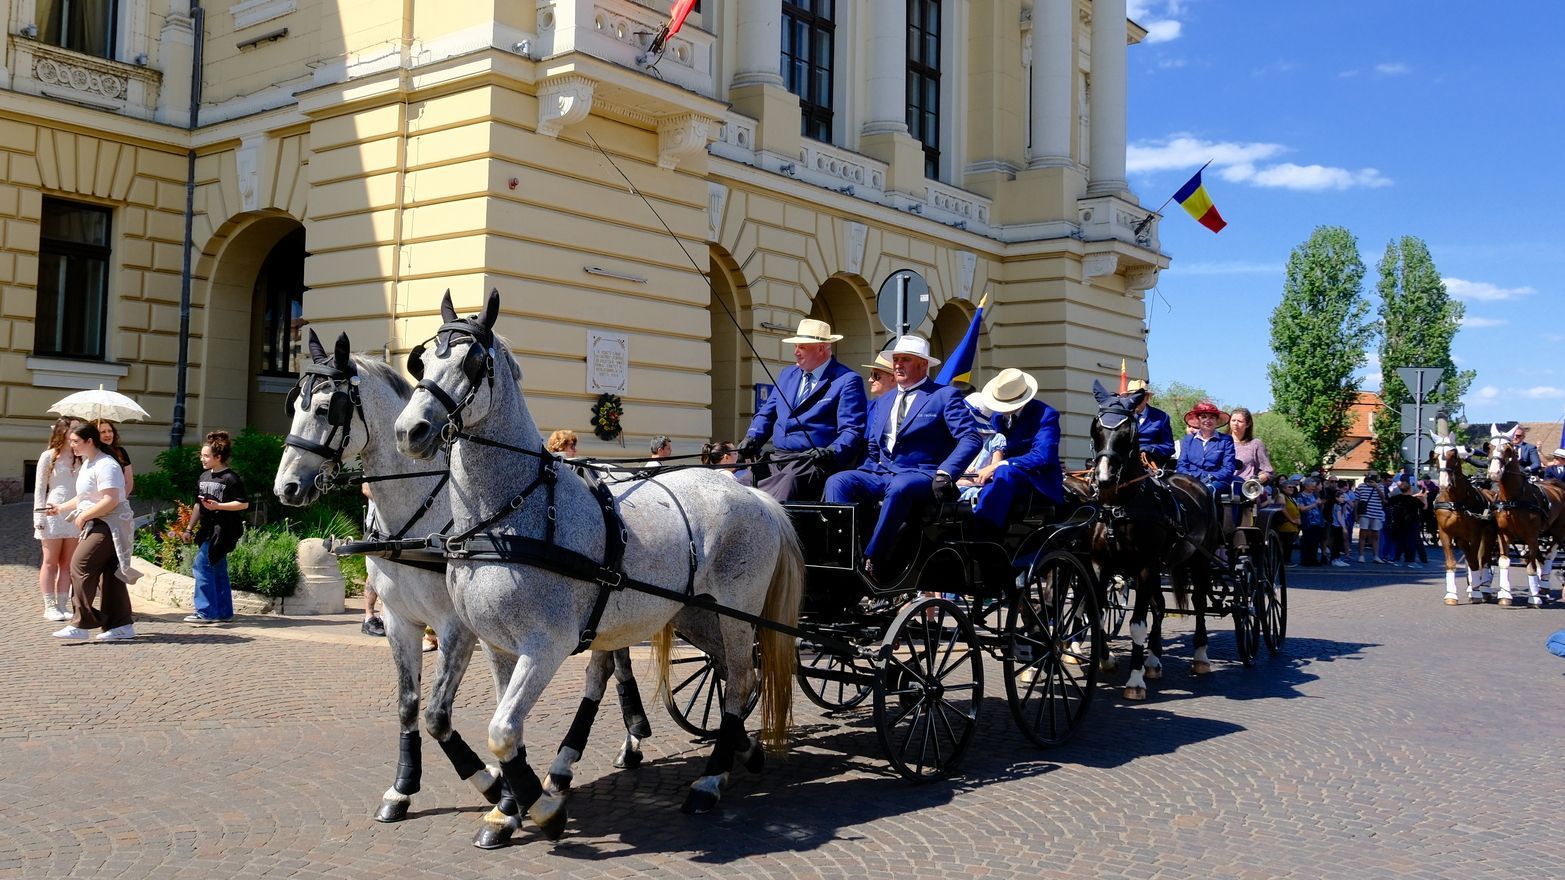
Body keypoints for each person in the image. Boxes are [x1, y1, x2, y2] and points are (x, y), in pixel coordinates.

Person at [824, 335, 981, 581]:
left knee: (900, 487)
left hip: (921, 474)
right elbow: (874, 444)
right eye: (896, 360)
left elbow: (971, 438)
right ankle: (841, 554)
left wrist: (946, 472)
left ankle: (874, 557)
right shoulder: (883, 400)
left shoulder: (943, 396)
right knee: (838, 481)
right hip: (881, 472)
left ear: (923, 365)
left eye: (905, 360)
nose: (898, 365)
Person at [738, 318, 868, 501]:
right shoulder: (787, 375)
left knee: (785, 489)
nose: (796, 352)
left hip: (812, 463)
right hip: (778, 459)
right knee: (740, 487)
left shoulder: (846, 380)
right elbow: (767, 413)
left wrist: (832, 451)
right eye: (796, 346)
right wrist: (752, 437)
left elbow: (852, 430)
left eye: (802, 347)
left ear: (821, 348)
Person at [45, 423, 139, 641]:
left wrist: (84, 516)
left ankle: (82, 622)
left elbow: (111, 499)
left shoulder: (107, 465)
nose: (72, 445)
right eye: (70, 441)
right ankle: (122, 625)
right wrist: (61, 508)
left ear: (90, 441)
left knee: (80, 564)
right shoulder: (89, 463)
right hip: (99, 522)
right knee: (112, 574)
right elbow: (86, 496)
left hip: (110, 524)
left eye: (76, 441)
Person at [967, 368, 1065, 534]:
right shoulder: (996, 416)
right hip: (1000, 479)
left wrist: (999, 465)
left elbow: (1043, 456)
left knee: (1005, 472)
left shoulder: (1046, 415)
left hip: (1037, 480)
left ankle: (987, 531)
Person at [184, 431, 250, 624]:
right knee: (217, 569)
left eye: (206, 456)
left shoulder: (230, 478)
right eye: (202, 455)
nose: (202, 459)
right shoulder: (204, 476)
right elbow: (198, 504)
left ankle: (205, 612)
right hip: (207, 529)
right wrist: (189, 528)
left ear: (218, 457)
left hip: (224, 530)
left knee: (202, 566)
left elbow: (243, 503)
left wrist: (219, 506)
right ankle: (223, 612)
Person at [33, 416, 81, 621]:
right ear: (64, 431)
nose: (79, 433)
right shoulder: (48, 456)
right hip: (52, 512)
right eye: (75, 429)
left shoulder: (82, 457)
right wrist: (38, 516)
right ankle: (49, 605)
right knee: (50, 561)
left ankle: (62, 604)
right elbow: (39, 489)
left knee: (68, 563)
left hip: (74, 513)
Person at [1175, 401, 1238, 492]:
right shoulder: (1188, 440)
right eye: (1204, 417)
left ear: (1216, 421)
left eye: (1212, 417)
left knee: (1206, 490)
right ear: (1197, 420)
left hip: (1216, 481)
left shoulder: (1226, 440)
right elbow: (1181, 465)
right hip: (1190, 480)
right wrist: (1189, 476)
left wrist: (1210, 477)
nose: (1207, 421)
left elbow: (1229, 468)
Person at [1125, 380, 1175, 465]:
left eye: (1139, 397)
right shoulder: (1122, 416)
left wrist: (1150, 449)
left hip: (1151, 465)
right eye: (1132, 397)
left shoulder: (1161, 417)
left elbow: (1169, 447)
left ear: (1147, 398)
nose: (1136, 401)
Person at [1227, 407, 1274, 493]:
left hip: (1245, 490)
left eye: (1240, 421)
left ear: (1247, 424)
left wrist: (1255, 480)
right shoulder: (1221, 442)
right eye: (1233, 420)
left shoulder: (1255, 444)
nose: (1235, 424)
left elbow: (1267, 472)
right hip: (1223, 486)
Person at [359, 482, 385, 637]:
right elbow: (366, 489)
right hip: (376, 527)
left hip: (397, 525)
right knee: (374, 570)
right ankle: (368, 617)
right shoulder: (373, 460)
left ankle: (384, 616)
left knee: (392, 571)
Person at [96, 419, 134, 496]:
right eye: (103, 432)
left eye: (110, 431)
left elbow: (129, 482)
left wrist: (120, 499)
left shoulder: (121, 451)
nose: (108, 435)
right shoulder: (91, 454)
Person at [1356, 472, 1387, 563]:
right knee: (1363, 534)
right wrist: (1356, 514)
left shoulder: (1380, 486)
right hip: (1364, 513)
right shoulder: (1361, 486)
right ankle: (1361, 555)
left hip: (1376, 513)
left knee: (1376, 535)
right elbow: (1357, 501)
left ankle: (1376, 556)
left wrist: (1376, 487)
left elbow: (1383, 498)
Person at [1296, 477, 1326, 565]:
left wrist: (1320, 504)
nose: (1313, 488)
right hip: (1308, 522)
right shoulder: (1300, 496)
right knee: (1308, 541)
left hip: (1317, 522)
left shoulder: (1315, 494)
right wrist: (1315, 504)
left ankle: (1313, 558)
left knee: (1316, 542)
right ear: (1306, 486)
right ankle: (1306, 559)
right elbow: (1302, 508)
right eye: (1312, 486)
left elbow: (1320, 506)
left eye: (1314, 486)